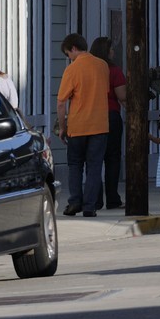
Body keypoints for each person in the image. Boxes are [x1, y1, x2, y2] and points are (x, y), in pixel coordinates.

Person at [55, 33, 110, 217]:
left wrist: (62, 127)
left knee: (75, 165)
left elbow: (62, 102)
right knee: (94, 166)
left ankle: (74, 202)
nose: (69, 58)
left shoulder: (72, 70)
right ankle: (89, 206)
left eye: (68, 54)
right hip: (100, 125)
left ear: (73, 48)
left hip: (78, 126)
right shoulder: (103, 66)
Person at [90, 37, 128, 209]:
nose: (113, 52)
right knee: (112, 159)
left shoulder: (88, 70)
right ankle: (112, 198)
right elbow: (122, 96)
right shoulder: (113, 70)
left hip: (92, 116)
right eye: (111, 49)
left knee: (94, 159)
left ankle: (95, 199)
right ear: (106, 51)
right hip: (111, 115)